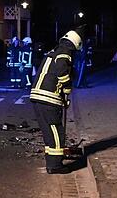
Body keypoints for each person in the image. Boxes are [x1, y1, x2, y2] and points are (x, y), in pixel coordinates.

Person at [30, 27, 84, 174]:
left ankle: (51, 162)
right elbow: (61, 71)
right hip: (48, 98)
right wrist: (67, 89)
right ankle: (55, 166)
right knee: (56, 132)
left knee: (49, 132)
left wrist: (63, 98)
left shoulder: (54, 52)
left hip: (38, 97)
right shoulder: (65, 53)